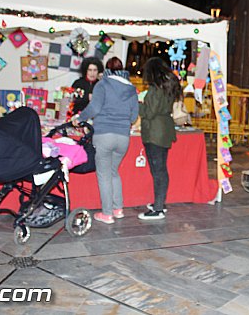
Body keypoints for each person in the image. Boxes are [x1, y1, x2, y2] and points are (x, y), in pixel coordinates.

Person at [72, 57, 139, 224]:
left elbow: (94, 108)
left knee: (103, 175)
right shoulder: (131, 88)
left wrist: (80, 118)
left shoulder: (103, 85)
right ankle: (118, 209)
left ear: (106, 70)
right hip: (123, 137)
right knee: (114, 172)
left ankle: (107, 213)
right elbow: (134, 116)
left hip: (104, 134)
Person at [137, 57, 182, 220]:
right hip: (164, 129)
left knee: (158, 170)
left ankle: (158, 209)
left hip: (154, 131)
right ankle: (160, 203)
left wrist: (137, 104)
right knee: (161, 169)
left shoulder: (156, 89)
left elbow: (149, 112)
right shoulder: (168, 86)